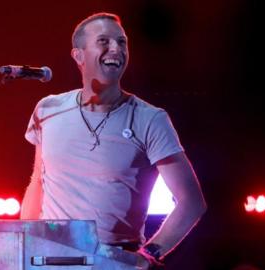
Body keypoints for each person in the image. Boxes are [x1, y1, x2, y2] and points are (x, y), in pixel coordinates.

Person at [20, 12, 207, 268]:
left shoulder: (149, 119)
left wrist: (149, 254)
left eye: (122, 42)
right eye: (104, 41)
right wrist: (24, 246)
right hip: (53, 259)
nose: (116, 49)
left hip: (114, 261)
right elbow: (38, 181)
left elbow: (192, 201)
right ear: (79, 55)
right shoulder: (48, 109)